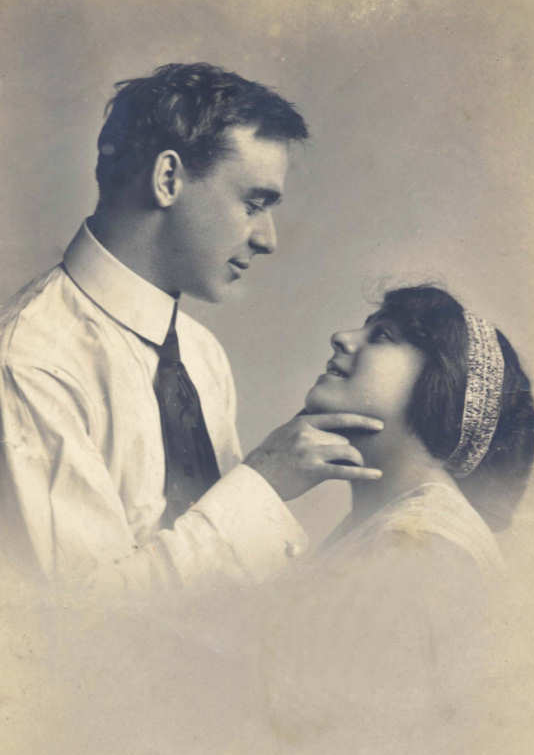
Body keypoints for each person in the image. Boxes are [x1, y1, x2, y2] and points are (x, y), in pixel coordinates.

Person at [0, 63, 384, 598]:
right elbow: (79, 622)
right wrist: (263, 484)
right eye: (253, 204)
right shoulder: (29, 362)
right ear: (168, 180)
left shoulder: (201, 355)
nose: (268, 239)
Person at [263, 284, 534, 755]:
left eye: (384, 335)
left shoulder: (421, 547)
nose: (342, 337)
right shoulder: (390, 530)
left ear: (443, 387)